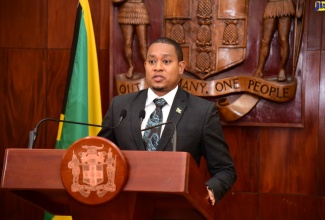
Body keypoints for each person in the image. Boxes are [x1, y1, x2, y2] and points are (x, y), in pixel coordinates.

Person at [98, 37, 236, 205]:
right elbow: (100, 156)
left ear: (180, 67)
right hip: (125, 207)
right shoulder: (120, 106)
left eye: (166, 61)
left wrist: (208, 190)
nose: (158, 67)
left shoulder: (202, 112)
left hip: (176, 208)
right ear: (146, 66)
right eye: (151, 61)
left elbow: (225, 169)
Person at [253, 0, 295, 82]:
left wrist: (300, 6)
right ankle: (260, 69)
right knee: (265, 40)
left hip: (285, 4)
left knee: (283, 39)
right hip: (271, 4)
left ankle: (282, 68)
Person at [112, 0, 150, 79]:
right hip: (126, 11)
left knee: (143, 44)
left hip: (140, 10)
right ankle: (131, 66)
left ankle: (148, 67)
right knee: (128, 43)